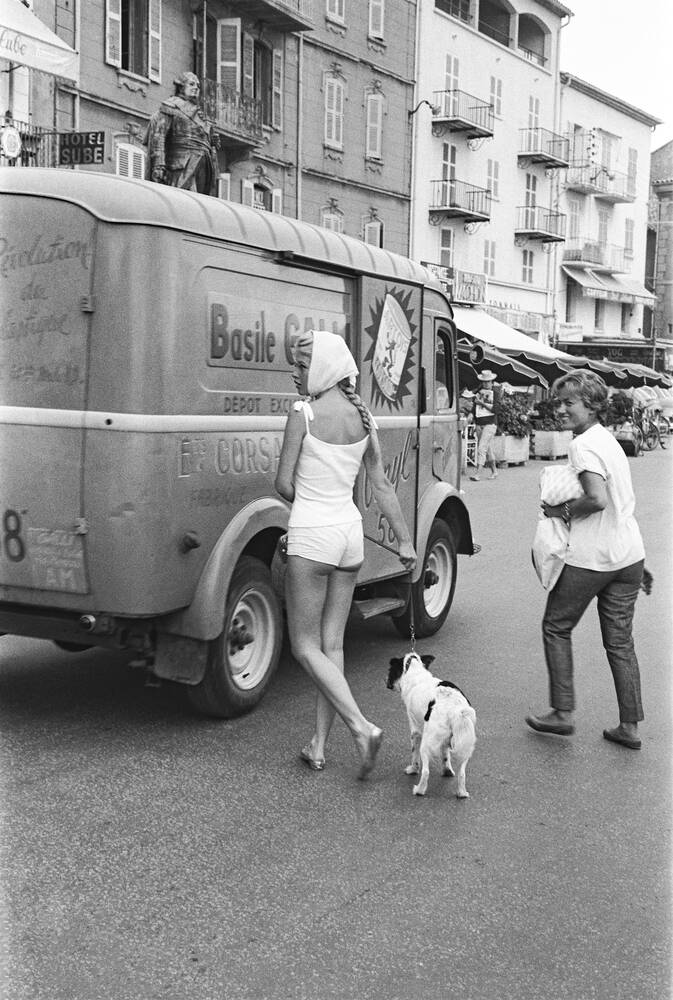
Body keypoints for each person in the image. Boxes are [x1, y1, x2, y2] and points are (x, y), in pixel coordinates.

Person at [275, 330, 417, 778]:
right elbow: (380, 486)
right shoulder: (364, 418)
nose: (295, 373)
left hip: (313, 536)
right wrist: (405, 541)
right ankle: (318, 745)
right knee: (331, 645)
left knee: (303, 645)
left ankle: (361, 727)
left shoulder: (303, 413)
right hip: (350, 538)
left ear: (322, 369)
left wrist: (306, 513)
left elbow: (282, 485)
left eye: (301, 365)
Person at [526, 370, 646, 750]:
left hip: (593, 557)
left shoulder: (583, 446)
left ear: (592, 406)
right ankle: (629, 727)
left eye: (569, 403)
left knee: (556, 626)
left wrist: (559, 511)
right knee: (621, 642)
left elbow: (596, 499)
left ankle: (562, 714)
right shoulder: (607, 440)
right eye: (558, 402)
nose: (560, 409)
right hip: (629, 555)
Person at [145, 71, 218, 195]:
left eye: (198, 86)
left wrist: (211, 140)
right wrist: (159, 164)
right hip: (181, 163)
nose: (196, 88)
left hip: (203, 163)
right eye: (191, 84)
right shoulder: (171, 106)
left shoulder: (200, 114)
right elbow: (159, 135)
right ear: (181, 87)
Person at [470, 370, 498, 481]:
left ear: (492, 382)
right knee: (488, 449)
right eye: (484, 382)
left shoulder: (496, 393)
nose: (486, 384)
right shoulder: (477, 392)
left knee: (481, 448)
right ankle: (494, 471)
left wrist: (482, 403)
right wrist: (471, 415)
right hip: (479, 424)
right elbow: (474, 408)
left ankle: (478, 473)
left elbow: (496, 409)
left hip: (490, 424)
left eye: (488, 382)